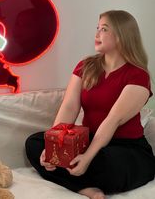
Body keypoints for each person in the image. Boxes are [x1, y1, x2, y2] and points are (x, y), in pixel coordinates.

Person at [25, 10, 155, 199]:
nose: (96, 34)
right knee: (34, 143)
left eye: (104, 29)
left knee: (104, 163)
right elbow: (69, 107)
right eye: (97, 28)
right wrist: (53, 146)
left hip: (127, 149)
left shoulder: (138, 75)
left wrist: (87, 157)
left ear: (121, 36)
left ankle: (77, 180)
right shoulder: (85, 66)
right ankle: (84, 188)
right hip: (88, 140)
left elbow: (113, 119)